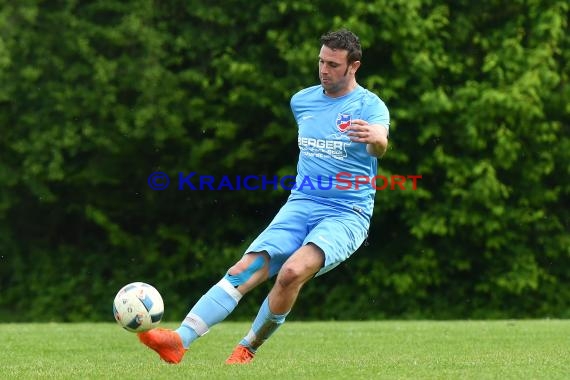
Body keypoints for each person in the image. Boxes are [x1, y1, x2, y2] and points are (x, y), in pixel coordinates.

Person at [138, 28, 390, 365]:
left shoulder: (370, 106)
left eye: (333, 64)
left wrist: (377, 139)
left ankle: (248, 346)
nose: (324, 69)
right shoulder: (302, 101)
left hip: (347, 213)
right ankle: (178, 341)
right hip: (301, 204)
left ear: (353, 67)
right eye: (321, 61)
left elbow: (380, 144)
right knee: (244, 269)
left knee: (290, 273)